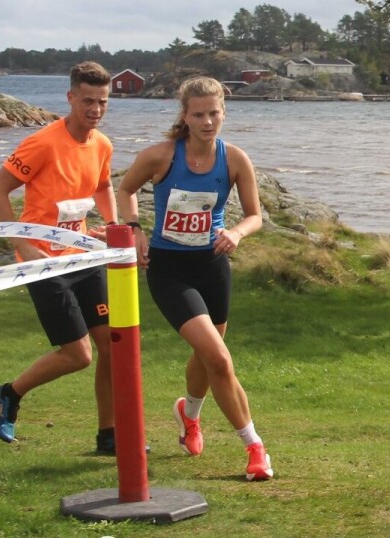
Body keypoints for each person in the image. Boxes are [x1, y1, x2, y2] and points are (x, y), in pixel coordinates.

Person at [117, 76, 273, 481]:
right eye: (198, 114)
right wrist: (133, 229)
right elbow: (126, 189)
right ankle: (255, 447)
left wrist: (236, 232)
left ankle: (189, 415)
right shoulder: (161, 156)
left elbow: (256, 214)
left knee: (207, 357)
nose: (207, 122)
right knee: (219, 357)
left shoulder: (235, 159)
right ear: (184, 116)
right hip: (169, 269)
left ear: (224, 112)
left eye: (214, 113)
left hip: (212, 266)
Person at [0, 61, 121, 454]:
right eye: (88, 101)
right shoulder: (43, 142)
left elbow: (103, 185)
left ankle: (108, 436)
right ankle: (8, 393)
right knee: (78, 355)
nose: (95, 110)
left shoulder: (102, 144)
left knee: (112, 346)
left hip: (83, 259)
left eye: (103, 102)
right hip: (43, 262)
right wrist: (22, 242)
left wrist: (111, 225)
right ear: (71, 98)